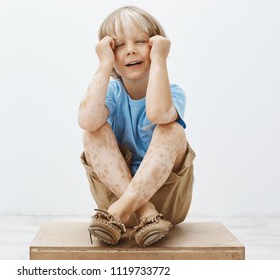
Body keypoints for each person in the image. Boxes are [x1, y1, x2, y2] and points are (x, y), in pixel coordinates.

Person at [78, 6, 196, 247]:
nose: (130, 49)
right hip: (113, 214)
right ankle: (144, 212)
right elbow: (87, 120)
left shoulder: (174, 94)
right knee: (93, 132)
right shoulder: (112, 93)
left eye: (140, 41)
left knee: (172, 128)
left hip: (164, 206)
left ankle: (131, 208)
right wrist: (103, 65)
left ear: (156, 44)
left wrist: (160, 58)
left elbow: (158, 114)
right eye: (119, 45)